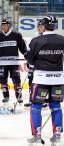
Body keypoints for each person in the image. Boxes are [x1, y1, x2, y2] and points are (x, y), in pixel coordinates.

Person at [27, 16, 64, 144]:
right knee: (56, 106)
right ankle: (57, 134)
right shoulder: (62, 40)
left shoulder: (36, 40)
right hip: (58, 79)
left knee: (36, 107)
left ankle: (37, 135)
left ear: (43, 26)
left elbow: (30, 61)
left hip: (41, 79)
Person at [0, 19, 27, 103]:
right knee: (3, 80)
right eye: (2, 25)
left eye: (5, 25)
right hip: (1, 62)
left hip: (14, 62)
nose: (3, 27)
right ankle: (6, 97)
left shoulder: (17, 35)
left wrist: (27, 55)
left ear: (9, 26)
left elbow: (22, 47)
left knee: (16, 80)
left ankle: (19, 97)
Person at [24, 20, 45, 107]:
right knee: (31, 82)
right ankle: (31, 99)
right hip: (33, 65)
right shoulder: (34, 38)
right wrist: (28, 60)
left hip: (43, 66)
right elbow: (29, 52)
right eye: (39, 26)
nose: (40, 28)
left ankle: (43, 100)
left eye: (42, 26)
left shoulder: (47, 37)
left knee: (43, 84)